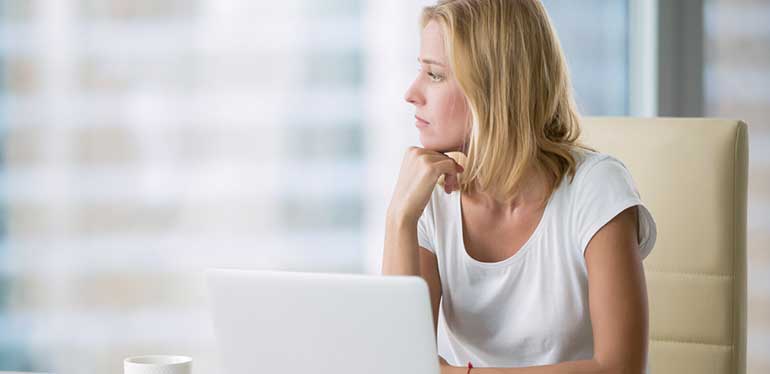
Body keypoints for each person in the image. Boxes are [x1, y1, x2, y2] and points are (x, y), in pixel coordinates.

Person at [381, 1, 658, 373]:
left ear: (493, 87)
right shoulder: (427, 197)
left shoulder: (595, 189)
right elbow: (397, 365)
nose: (411, 93)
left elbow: (620, 368)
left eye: (434, 75)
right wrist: (399, 218)